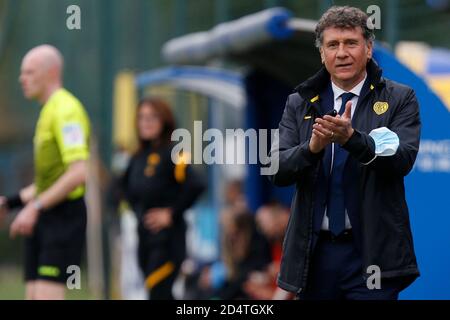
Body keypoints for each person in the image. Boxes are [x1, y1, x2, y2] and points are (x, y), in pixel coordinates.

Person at [268, 6, 421, 300]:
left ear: (368, 48)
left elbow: (402, 160)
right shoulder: (298, 103)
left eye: (351, 43)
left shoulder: (400, 98)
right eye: (333, 45)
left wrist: (352, 139)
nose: (342, 53)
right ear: (322, 54)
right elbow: (276, 168)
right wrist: (311, 149)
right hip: (316, 255)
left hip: (371, 256)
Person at [0, 45, 90, 300]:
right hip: (43, 216)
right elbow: (46, 182)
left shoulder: (66, 110)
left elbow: (78, 173)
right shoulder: (47, 110)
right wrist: (12, 202)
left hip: (63, 218)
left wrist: (35, 207)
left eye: (29, 72)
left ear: (51, 72)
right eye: (21, 72)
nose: (22, 78)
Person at [118, 97, 205, 300]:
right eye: (141, 117)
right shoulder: (137, 157)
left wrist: (171, 213)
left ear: (164, 121)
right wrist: (138, 213)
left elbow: (197, 184)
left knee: (159, 291)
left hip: (167, 241)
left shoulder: (175, 152)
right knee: (155, 292)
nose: (146, 122)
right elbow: (122, 189)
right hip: (144, 240)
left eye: (152, 117)